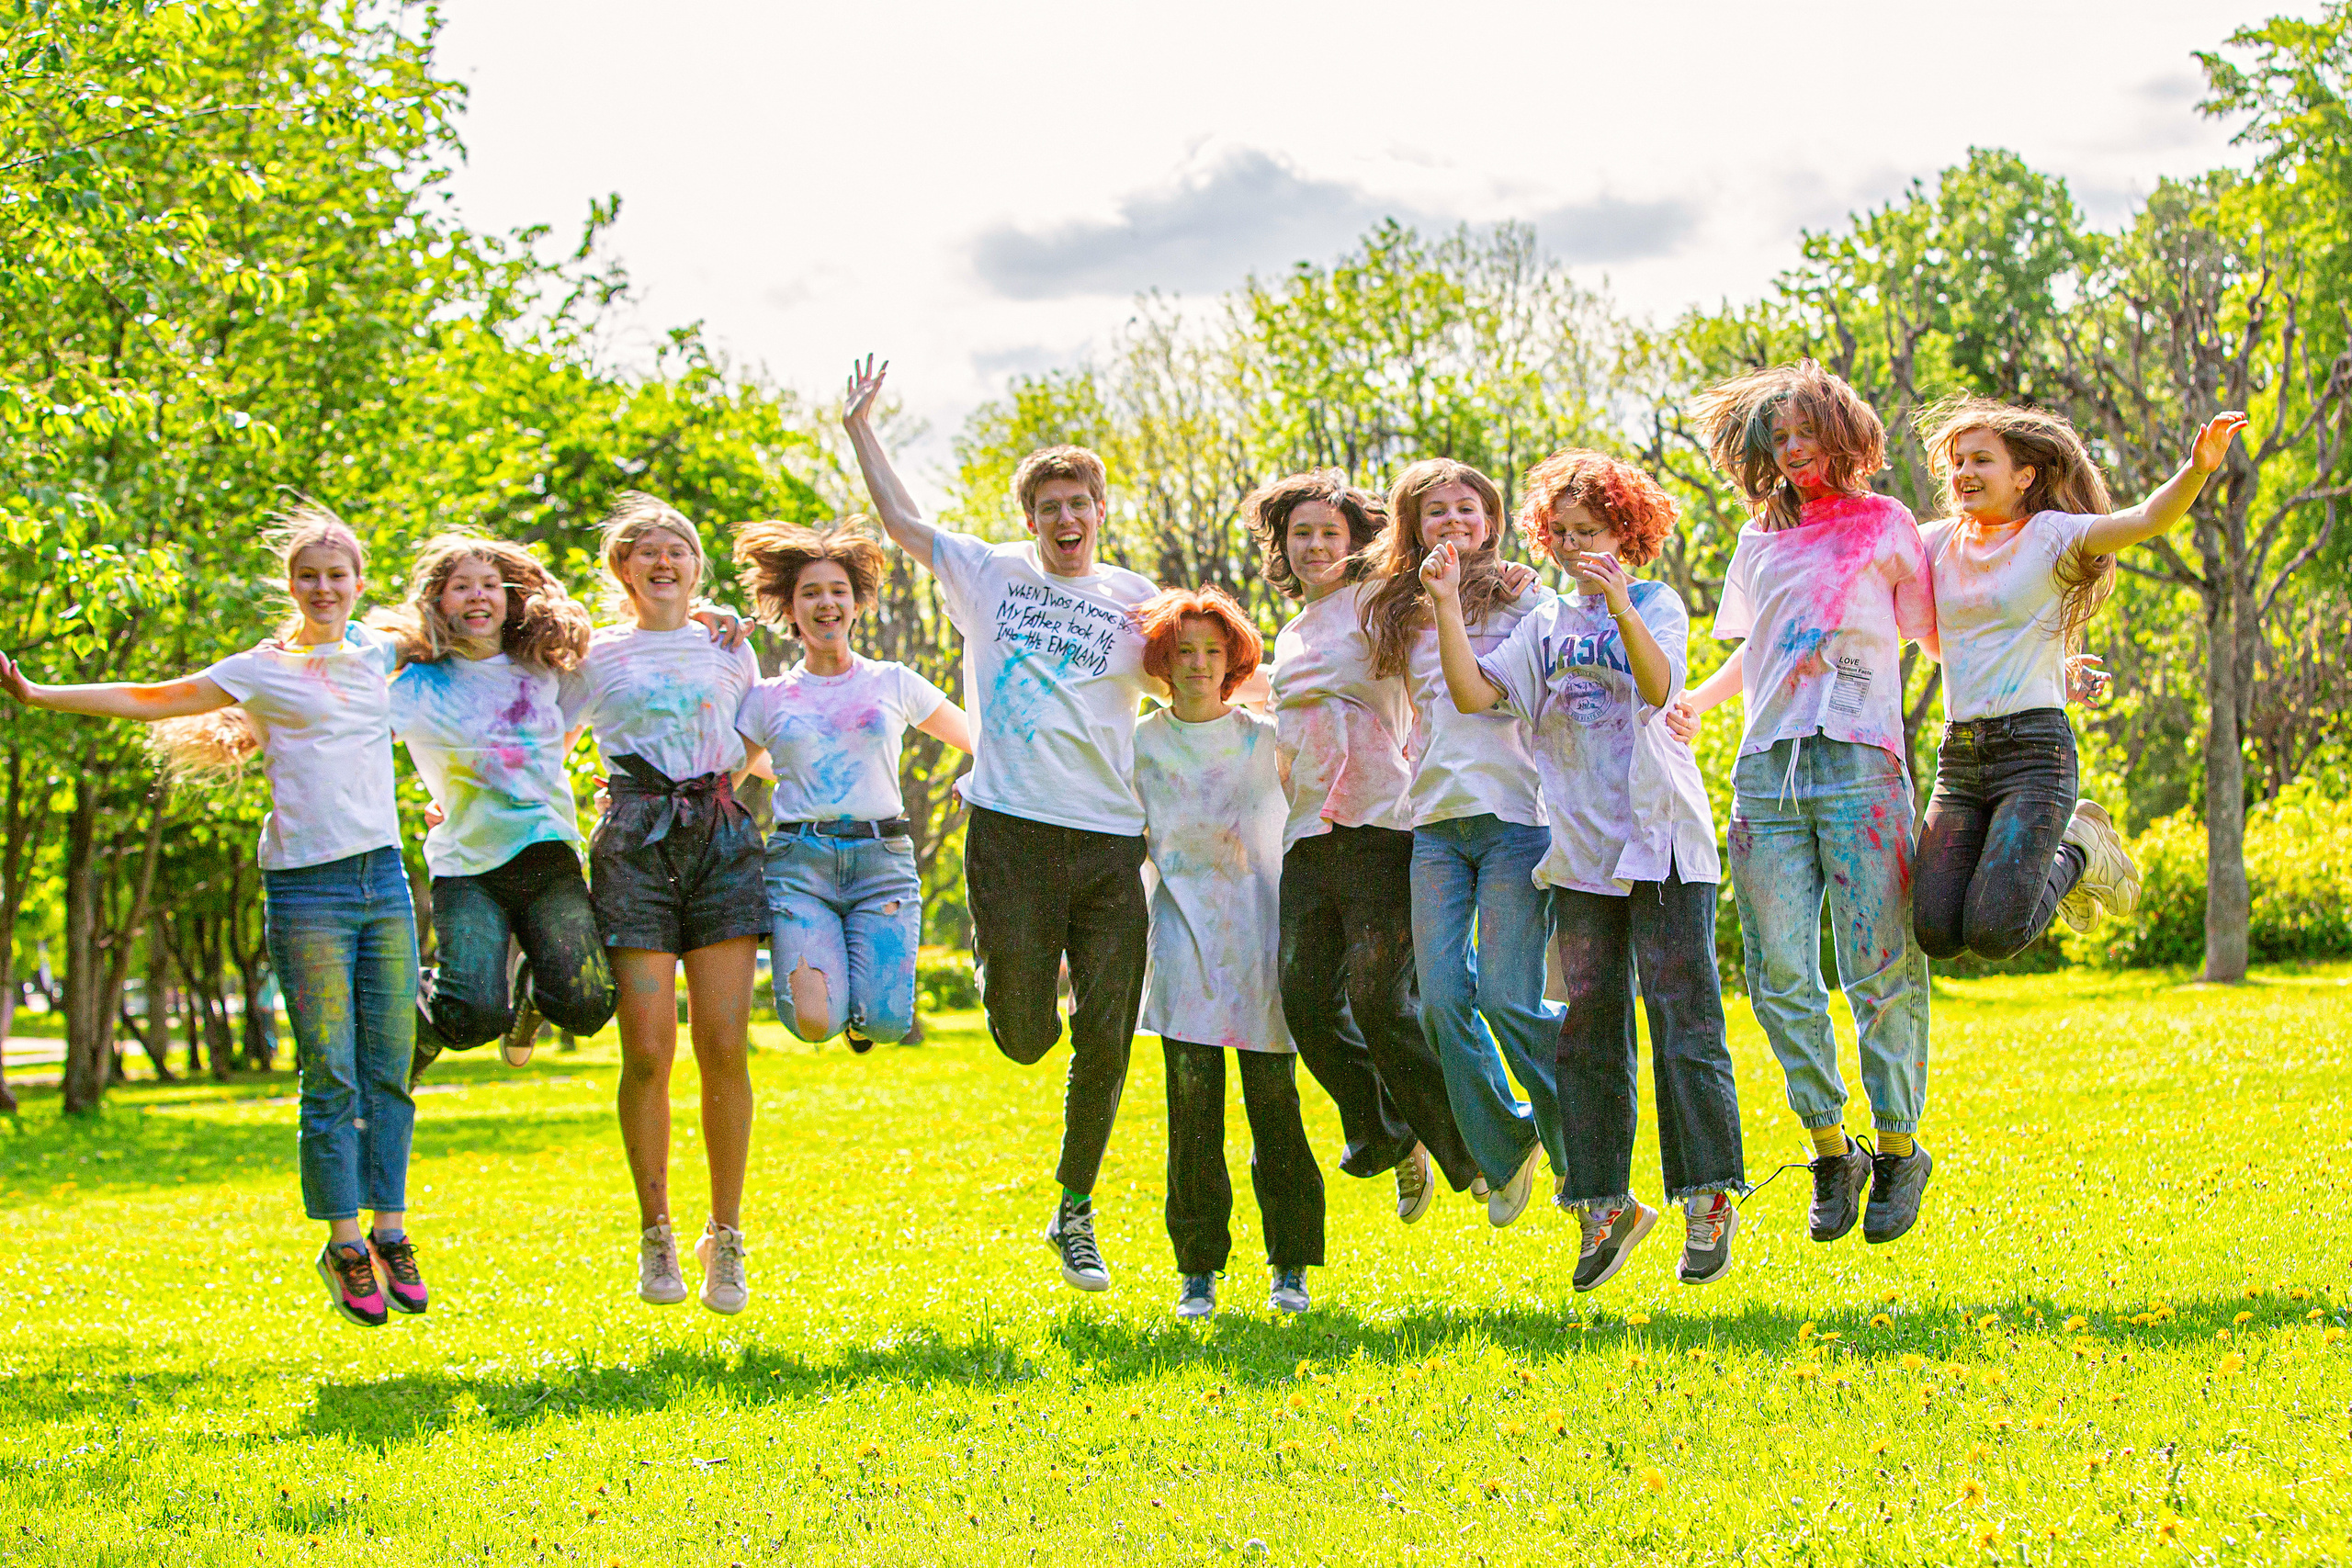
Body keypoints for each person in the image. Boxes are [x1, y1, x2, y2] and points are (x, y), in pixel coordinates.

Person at [0, 503, 426, 1328]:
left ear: (359, 583)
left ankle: (391, 1231)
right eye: (310, 576)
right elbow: (150, 696)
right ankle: (345, 1247)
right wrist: (36, 692)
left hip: (385, 880)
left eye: (338, 575)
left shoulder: (382, 650)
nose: (324, 588)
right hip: (307, 890)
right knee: (331, 1071)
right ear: (292, 586)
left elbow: (474, 620)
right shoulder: (261, 668)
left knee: (392, 1066)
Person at [842, 355, 1158, 1293]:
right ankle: (1018, 963)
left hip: (1110, 837)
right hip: (1011, 831)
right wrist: (862, 429)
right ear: (1029, 519)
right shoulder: (987, 574)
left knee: (1107, 1033)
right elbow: (902, 525)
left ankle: (1075, 1209)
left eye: (1080, 504)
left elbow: (1207, 677)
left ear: (1101, 510)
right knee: (1025, 1036)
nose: (1067, 521)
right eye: (1050, 507)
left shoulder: (1137, 600)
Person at [1423, 450, 1747, 1292]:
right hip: (1581, 855)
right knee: (1590, 1030)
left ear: (1626, 531)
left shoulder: (1654, 601)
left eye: (1591, 531)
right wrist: (1447, 605)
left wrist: (1616, 604)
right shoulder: (1543, 625)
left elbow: (1657, 684)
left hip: (1662, 842)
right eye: (1561, 533)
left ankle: (1709, 1196)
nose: (1574, 547)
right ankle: (1601, 1201)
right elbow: (1470, 695)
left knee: (1685, 1020)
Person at [1673, 360, 1938, 1247]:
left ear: (1842, 432)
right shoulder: (1759, 539)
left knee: (1879, 966)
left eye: (1804, 434)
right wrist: (1695, 706)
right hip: (1766, 773)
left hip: (1863, 766)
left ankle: (1899, 1145)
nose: (1792, 452)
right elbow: (1757, 653)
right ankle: (1833, 1148)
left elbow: (1932, 631)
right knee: (1780, 974)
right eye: (1777, 439)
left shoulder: (1886, 524)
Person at [1911, 400, 2248, 956]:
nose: (1964, 472)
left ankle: (2081, 846)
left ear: (2024, 476)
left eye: (1981, 460)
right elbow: (1941, 639)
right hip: (1961, 757)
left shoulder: (2050, 535)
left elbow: (2145, 520)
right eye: (1958, 462)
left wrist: (2197, 469)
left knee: (1994, 934)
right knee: (1935, 932)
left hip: (2034, 755)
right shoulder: (1934, 542)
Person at [1251, 471, 1478, 1224]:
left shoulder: (1377, 601)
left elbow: (1449, 580)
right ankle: (1387, 1136)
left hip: (1384, 821)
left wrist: (1496, 569)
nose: (1315, 546)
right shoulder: (1289, 633)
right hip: (1309, 832)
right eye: (1301, 534)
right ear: (1281, 545)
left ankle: (1468, 1154)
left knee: (1382, 1001)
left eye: (1330, 533)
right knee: (1309, 1003)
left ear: (1354, 542)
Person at [560, 492, 768, 1314]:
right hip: (633, 849)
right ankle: (656, 1233)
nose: (662, 560)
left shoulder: (726, 648)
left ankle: (727, 1234)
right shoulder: (596, 656)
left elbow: (759, 730)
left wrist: (720, 789)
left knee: (724, 1043)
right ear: (622, 570)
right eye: (644, 551)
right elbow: (545, 739)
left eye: (676, 548)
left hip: (719, 844)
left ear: (694, 565)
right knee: (647, 1051)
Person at [1359, 458, 1563, 1228]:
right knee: (1442, 1000)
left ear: (1491, 520)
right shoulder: (1395, 609)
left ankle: (1580, 1139)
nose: (1453, 521)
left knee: (1510, 999)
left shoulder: (1524, 596)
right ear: (1411, 526)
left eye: (1467, 508)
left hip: (1515, 816)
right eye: (1435, 511)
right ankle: (1509, 1145)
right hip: (1436, 826)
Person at [1131, 586, 1325, 1320]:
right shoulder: (1142, 743)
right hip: (1182, 944)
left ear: (1236, 660)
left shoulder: (1265, 738)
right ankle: (1198, 1271)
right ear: (1162, 661)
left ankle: (1292, 1265)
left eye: (1213, 651)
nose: (1199, 664)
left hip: (1263, 940)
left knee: (1276, 1107)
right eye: (1184, 651)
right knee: (1192, 1113)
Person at [376, 535, 615, 1080]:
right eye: (461, 587)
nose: (477, 597)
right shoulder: (416, 686)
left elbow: (584, 710)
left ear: (511, 599)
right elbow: (356, 740)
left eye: (489, 585)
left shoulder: (544, 669)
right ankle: (418, 1004)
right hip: (467, 866)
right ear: (438, 601)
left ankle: (536, 992)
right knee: (473, 1018)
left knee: (588, 1005)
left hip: (547, 852)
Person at [730, 518, 971, 1051]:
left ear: (858, 604)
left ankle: (863, 1020)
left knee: (885, 1025)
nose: (826, 603)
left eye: (838, 591)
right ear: (790, 610)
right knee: (815, 1023)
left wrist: (976, 779)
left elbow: (980, 739)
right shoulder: (767, 699)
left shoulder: (893, 681)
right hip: (800, 865)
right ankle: (830, 1003)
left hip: (881, 865)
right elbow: (726, 778)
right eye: (810, 593)